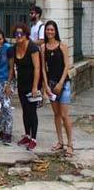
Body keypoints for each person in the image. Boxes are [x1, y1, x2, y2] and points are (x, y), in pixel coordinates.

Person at [41, 20, 73, 157]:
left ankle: (70, 144)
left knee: (65, 115)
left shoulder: (62, 46)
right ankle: (60, 141)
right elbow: (43, 68)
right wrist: (46, 85)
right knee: (56, 114)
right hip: (51, 84)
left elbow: (67, 65)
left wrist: (60, 83)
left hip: (63, 84)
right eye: (48, 30)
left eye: (52, 30)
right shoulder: (43, 48)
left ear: (56, 31)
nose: (50, 32)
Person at [8, 23, 41, 151]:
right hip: (21, 83)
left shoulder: (32, 48)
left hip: (33, 83)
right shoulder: (14, 48)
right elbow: (11, 68)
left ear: (26, 35)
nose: (19, 36)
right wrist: (8, 83)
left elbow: (37, 68)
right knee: (25, 111)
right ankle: (27, 134)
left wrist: (35, 87)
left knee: (32, 111)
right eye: (16, 34)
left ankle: (34, 138)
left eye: (21, 33)